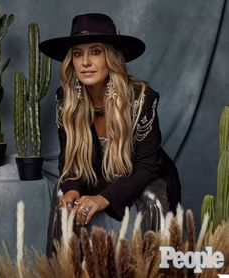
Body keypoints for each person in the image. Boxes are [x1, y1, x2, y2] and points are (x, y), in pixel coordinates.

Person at [39, 13, 181, 256]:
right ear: (70, 61)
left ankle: (159, 269)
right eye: (77, 53)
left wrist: (103, 199)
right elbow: (69, 160)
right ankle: (60, 269)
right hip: (93, 173)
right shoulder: (67, 100)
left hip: (142, 173)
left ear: (111, 57)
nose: (85, 62)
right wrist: (73, 187)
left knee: (153, 198)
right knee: (64, 195)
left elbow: (148, 165)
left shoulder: (141, 98)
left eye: (95, 52)